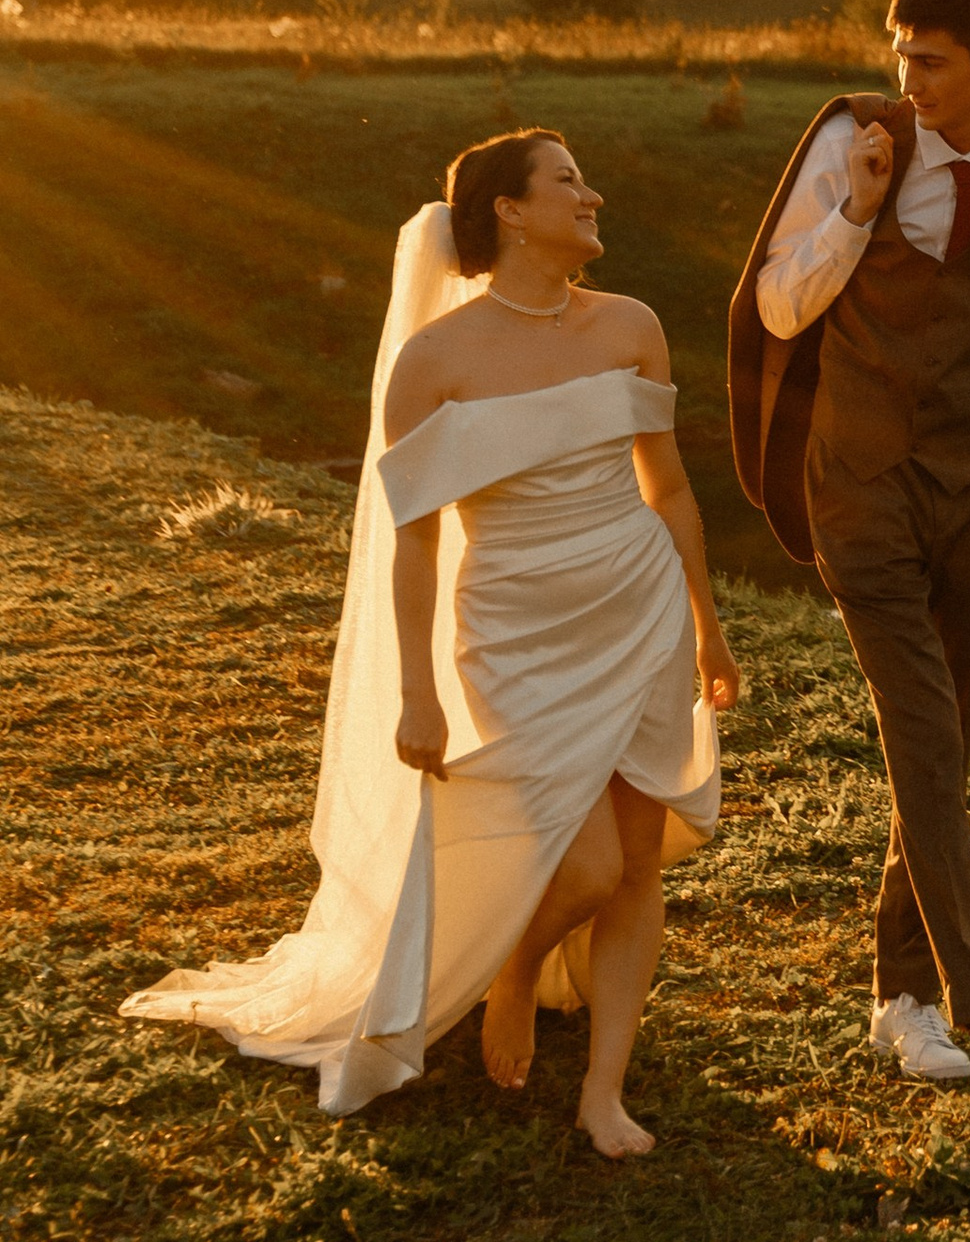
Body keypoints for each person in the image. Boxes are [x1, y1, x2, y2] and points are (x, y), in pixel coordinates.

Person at [126, 129, 741, 1153]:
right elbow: (414, 549)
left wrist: (707, 628)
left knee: (637, 860)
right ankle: (513, 969)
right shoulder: (437, 360)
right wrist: (417, 692)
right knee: (584, 865)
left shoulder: (632, 324)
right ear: (507, 208)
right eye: (567, 181)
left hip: (638, 612)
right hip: (517, 629)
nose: (591, 196)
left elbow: (666, 486)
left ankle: (603, 1091)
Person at [730, 0, 970, 1111]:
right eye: (898, 53)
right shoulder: (853, 140)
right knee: (923, 730)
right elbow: (777, 304)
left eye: (928, 61)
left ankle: (898, 999)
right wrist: (858, 206)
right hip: (860, 481)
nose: (906, 78)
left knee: (943, 740)